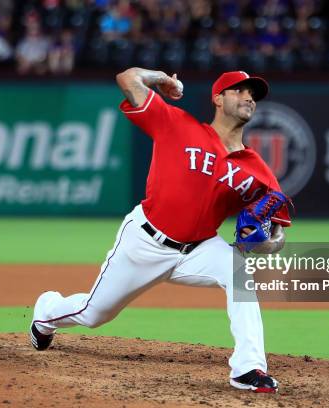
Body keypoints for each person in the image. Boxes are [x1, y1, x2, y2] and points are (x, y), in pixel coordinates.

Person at [30, 69, 292, 393]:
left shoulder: (258, 170)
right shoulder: (176, 124)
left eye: (253, 94)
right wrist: (159, 79)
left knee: (239, 270)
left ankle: (248, 368)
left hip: (199, 249)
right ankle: (46, 313)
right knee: (95, 313)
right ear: (218, 98)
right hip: (145, 241)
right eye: (239, 90)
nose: (248, 97)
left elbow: (277, 232)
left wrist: (268, 244)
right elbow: (127, 80)